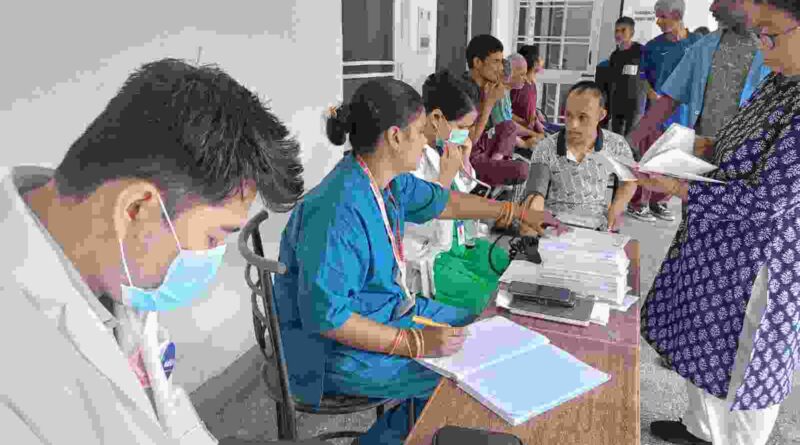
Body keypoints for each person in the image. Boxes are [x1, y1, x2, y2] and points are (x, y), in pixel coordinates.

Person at [0, 58, 325, 445]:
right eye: (212, 238)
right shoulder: (17, 355)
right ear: (136, 208)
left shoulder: (114, 268)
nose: (212, 257)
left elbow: (166, 413)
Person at [272, 78, 548, 445]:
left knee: (478, 329)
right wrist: (415, 343)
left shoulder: (385, 182)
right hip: (331, 352)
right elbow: (328, 318)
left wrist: (514, 212)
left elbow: (445, 202)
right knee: (460, 378)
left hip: (386, 311)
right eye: (419, 132)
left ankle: (392, 434)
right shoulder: (336, 211)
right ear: (395, 137)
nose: (426, 140)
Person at [637, 1, 800, 443]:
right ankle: (701, 429)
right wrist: (701, 145)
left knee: (746, 363)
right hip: (720, 238)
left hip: (761, 258)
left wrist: (676, 187)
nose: (762, 46)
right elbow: (740, 140)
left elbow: (767, 201)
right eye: (759, 34)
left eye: (771, 35)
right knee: (705, 338)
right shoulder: (780, 82)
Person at [403, 70, 511, 315]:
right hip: (428, 255)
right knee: (488, 296)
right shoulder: (410, 159)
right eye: (461, 127)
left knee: (505, 264)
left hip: (456, 243)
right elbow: (421, 222)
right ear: (436, 117)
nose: (466, 134)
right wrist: (444, 179)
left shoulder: (442, 146)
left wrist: (465, 161)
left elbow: (465, 195)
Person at [524, 81, 638, 232]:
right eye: (568, 115)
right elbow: (536, 190)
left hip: (597, 225)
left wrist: (617, 207)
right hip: (554, 225)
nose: (573, 125)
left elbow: (629, 181)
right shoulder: (546, 148)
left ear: (601, 115)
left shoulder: (616, 145)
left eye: (582, 117)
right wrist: (534, 212)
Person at [629, 0, 704, 222]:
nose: (658, 21)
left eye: (662, 16)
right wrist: (651, 93)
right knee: (648, 160)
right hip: (657, 115)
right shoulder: (652, 47)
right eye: (657, 16)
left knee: (673, 162)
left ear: (677, 16)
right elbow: (642, 76)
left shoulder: (697, 44)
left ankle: (659, 202)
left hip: (684, 117)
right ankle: (638, 203)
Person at [461, 34, 531, 190]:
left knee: (509, 126)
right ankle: (492, 176)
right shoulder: (464, 91)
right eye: (496, 62)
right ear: (477, 62)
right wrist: (490, 103)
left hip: (484, 146)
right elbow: (470, 141)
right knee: (523, 170)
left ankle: (496, 166)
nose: (501, 68)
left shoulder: (486, 86)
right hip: (469, 157)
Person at [607, 16, 647, 137]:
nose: (619, 34)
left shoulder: (641, 52)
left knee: (631, 140)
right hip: (617, 105)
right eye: (617, 31)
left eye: (623, 30)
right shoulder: (614, 55)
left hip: (635, 105)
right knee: (616, 139)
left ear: (632, 32)